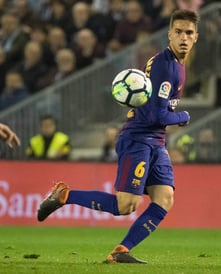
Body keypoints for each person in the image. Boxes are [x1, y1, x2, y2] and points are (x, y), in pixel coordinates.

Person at [36, 9, 199, 264]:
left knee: (165, 198)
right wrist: (184, 117)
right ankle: (63, 195)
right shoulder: (164, 66)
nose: (184, 37)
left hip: (156, 142)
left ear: (196, 37)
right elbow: (158, 116)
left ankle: (121, 251)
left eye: (189, 33)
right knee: (126, 206)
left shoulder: (178, 65)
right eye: (178, 32)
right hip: (138, 140)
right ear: (169, 34)